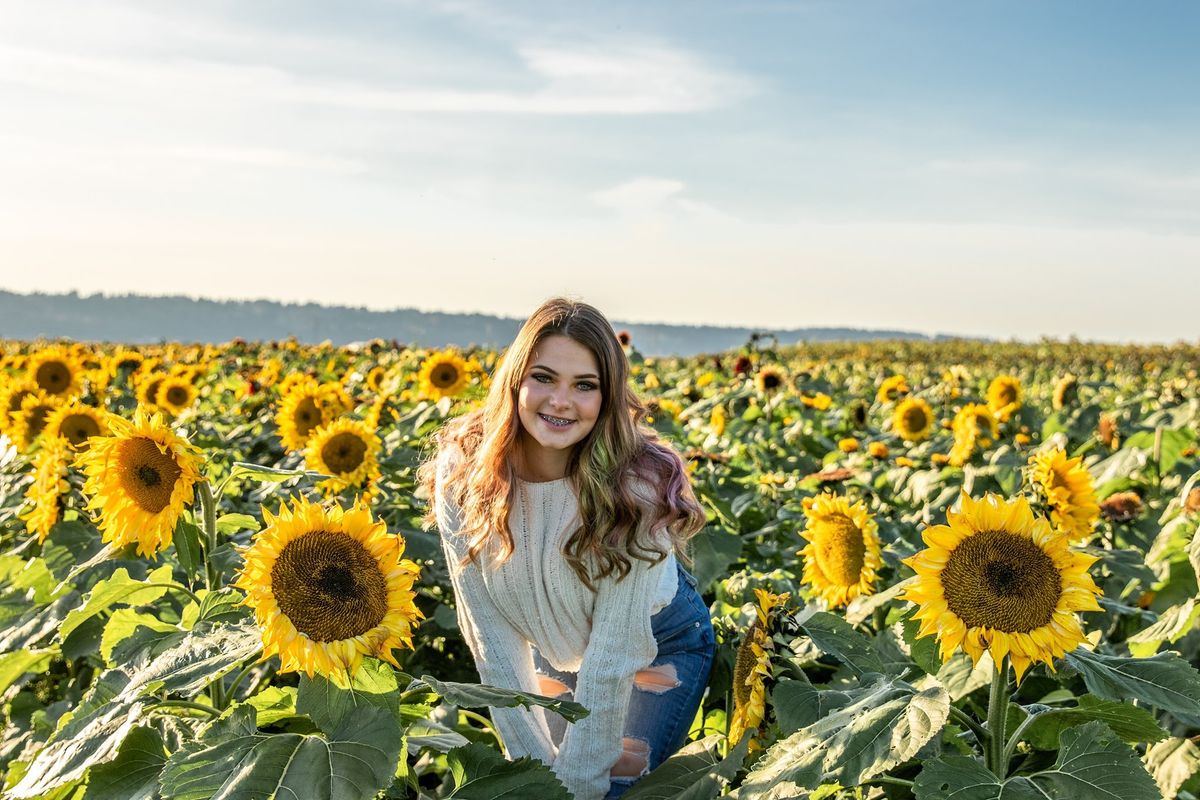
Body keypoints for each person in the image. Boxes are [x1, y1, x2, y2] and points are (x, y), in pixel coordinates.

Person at [419, 297, 714, 800]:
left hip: (654, 641)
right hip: (556, 646)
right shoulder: (464, 472)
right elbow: (491, 638)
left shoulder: (636, 487)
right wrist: (531, 780)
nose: (560, 401)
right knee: (538, 782)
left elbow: (615, 653)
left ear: (607, 398)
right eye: (544, 377)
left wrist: (572, 788)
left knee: (607, 790)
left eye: (585, 386)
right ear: (516, 381)